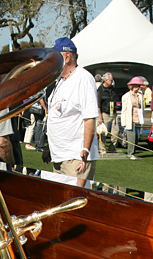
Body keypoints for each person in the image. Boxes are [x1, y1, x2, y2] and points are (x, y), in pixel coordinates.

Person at [45, 37, 99, 184]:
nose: (51, 61)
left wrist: (85, 152)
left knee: (74, 201)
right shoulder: (60, 80)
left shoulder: (83, 78)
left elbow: (89, 118)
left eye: (55, 56)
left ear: (67, 57)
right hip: (59, 156)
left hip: (75, 157)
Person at [120, 76, 144, 160]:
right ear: (132, 86)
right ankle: (130, 153)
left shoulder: (140, 96)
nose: (138, 87)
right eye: (137, 86)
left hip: (138, 118)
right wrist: (123, 122)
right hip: (130, 119)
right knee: (131, 137)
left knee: (137, 137)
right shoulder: (126, 96)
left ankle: (134, 152)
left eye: (139, 86)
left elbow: (142, 108)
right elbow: (124, 110)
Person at [96, 72, 119, 154]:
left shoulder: (113, 89)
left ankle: (112, 148)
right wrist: (99, 117)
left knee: (116, 132)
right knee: (103, 132)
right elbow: (98, 105)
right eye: (110, 80)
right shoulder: (99, 91)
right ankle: (103, 149)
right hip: (104, 113)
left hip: (113, 112)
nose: (112, 82)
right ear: (106, 80)